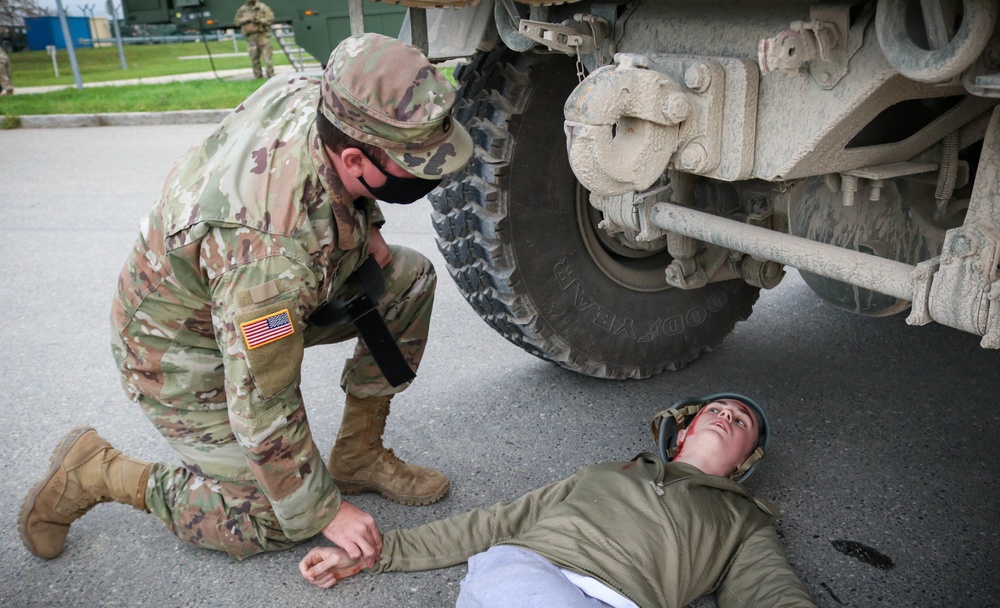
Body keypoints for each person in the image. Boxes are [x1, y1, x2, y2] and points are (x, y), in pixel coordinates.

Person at [18, 33, 473, 565]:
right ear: (353, 158)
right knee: (275, 516)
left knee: (407, 281)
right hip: (180, 355)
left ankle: (357, 456)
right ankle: (99, 470)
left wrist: (365, 219)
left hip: (240, 296)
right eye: (414, 165)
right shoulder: (268, 260)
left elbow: (326, 175)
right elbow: (262, 400)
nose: (428, 175)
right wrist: (324, 510)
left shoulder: (324, 96)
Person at [299, 393, 817, 608]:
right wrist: (371, 553)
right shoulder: (605, 473)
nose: (727, 415)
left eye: (742, 421)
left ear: (746, 463)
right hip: (527, 573)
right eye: (717, 409)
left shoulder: (743, 519)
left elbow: (771, 592)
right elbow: (497, 521)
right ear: (680, 435)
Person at [234, 0, 275, 79]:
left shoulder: (262, 7)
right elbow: (237, 22)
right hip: (251, 38)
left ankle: (271, 76)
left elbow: (270, 19)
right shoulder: (243, 9)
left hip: (262, 36)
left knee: (267, 59)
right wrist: (246, 19)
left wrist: (259, 20)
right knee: (254, 59)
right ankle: (258, 76)